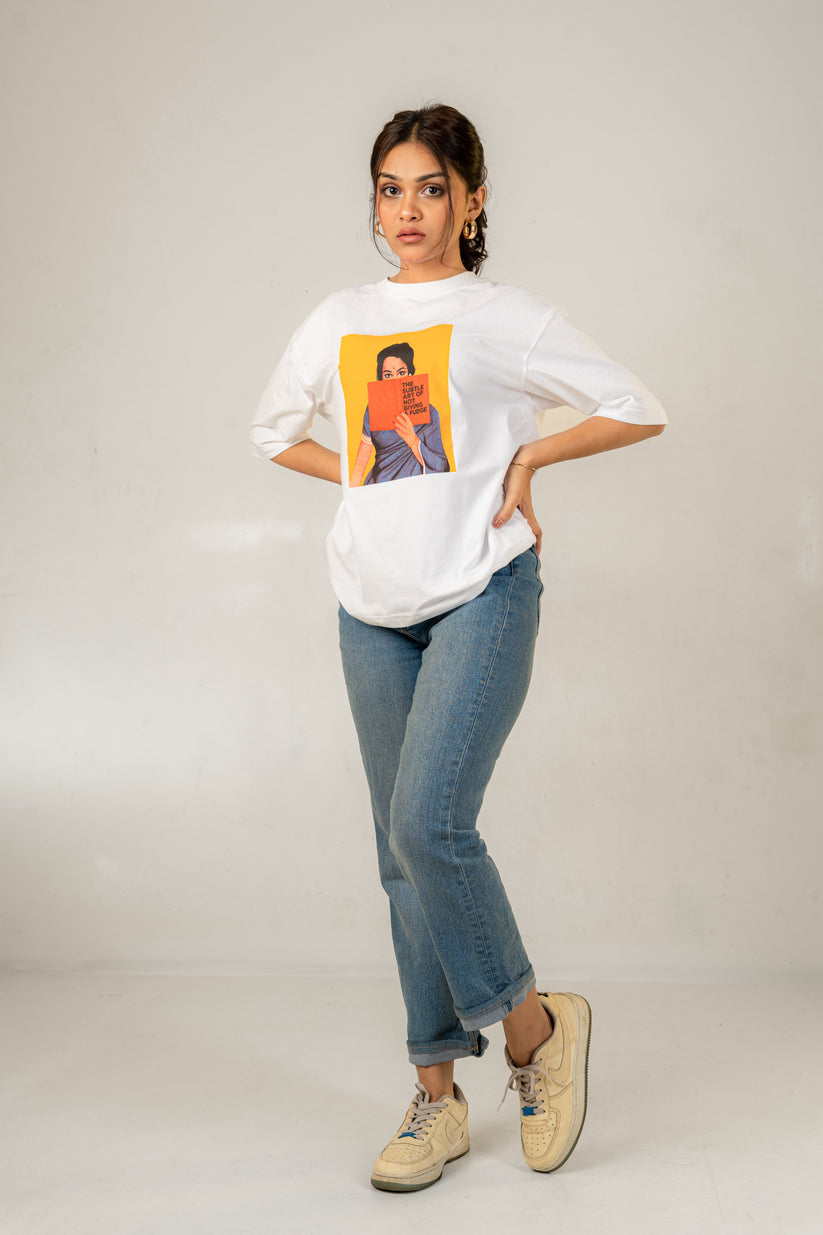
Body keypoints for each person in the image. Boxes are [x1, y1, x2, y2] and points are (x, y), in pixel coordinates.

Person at [249, 103, 667, 1192]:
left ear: (472, 201)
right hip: (369, 606)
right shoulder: (340, 317)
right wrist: (359, 473)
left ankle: (534, 1032)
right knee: (399, 859)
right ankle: (436, 1097)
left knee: (428, 821)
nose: (408, 210)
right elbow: (274, 429)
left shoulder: (505, 317)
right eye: (390, 189)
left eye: (431, 188)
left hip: (481, 590)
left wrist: (528, 460)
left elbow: (636, 405)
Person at [349, 341, 451, 485]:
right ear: (381, 379)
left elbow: (440, 465)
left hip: (416, 485)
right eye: (388, 375)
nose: (395, 380)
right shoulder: (373, 408)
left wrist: (413, 440)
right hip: (380, 483)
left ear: (410, 374)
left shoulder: (430, 412)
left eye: (401, 373)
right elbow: (365, 449)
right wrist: (353, 486)